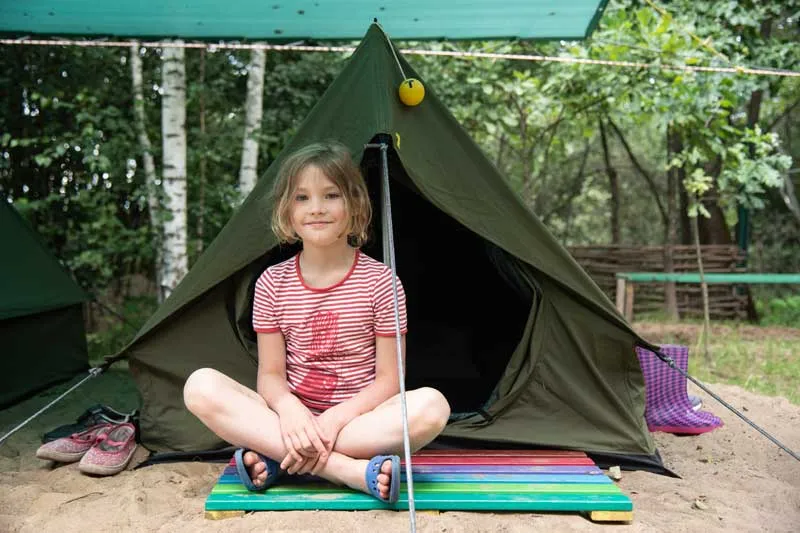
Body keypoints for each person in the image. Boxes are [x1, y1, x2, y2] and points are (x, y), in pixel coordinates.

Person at [183, 141, 451, 503]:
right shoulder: (272, 283)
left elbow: (390, 380)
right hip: (289, 420)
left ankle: (281, 457)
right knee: (200, 386)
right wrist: (292, 412)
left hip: (356, 422)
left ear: (354, 204)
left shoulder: (381, 283)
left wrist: (334, 419)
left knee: (432, 407)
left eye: (331, 195)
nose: (317, 209)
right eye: (302, 198)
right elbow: (272, 376)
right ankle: (346, 470)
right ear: (286, 210)